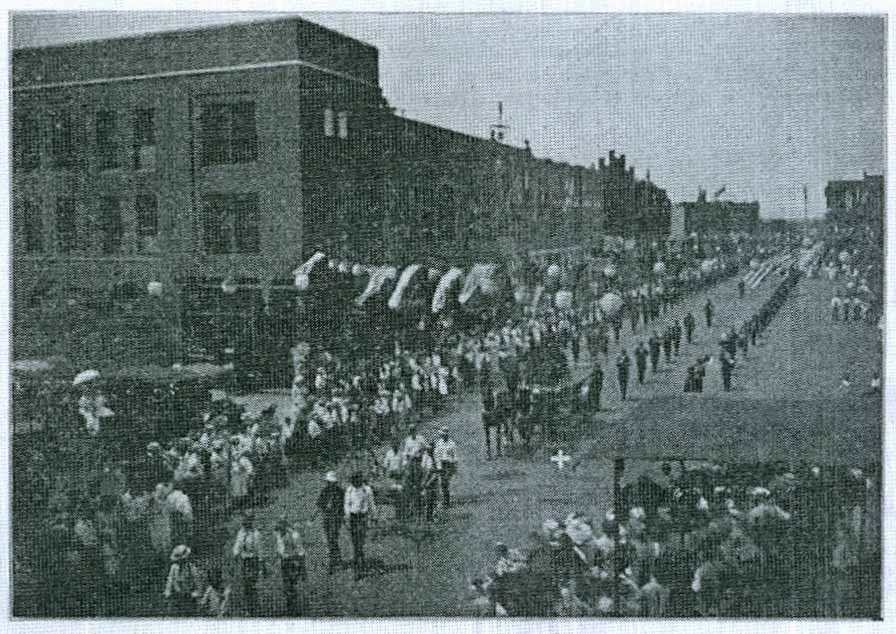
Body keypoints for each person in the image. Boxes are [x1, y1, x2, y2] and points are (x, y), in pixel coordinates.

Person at [344, 472, 376, 580]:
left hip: (362, 518)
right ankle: (359, 564)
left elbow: (371, 504)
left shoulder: (366, 490)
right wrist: (347, 518)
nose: (355, 482)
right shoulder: (349, 490)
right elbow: (347, 504)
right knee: (355, 543)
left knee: (360, 542)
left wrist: (374, 517)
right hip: (353, 518)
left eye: (357, 480)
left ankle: (359, 567)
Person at [232, 511, 263, 616]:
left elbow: (260, 550)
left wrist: (261, 562)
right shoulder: (241, 533)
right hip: (245, 561)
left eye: (248, 520)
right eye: (245, 519)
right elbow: (238, 544)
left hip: (253, 560)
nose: (246, 522)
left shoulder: (256, 534)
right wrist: (236, 554)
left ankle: (254, 606)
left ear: (251, 521)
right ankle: (247, 608)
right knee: (245, 584)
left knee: (252, 583)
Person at [274, 516, 307, 616]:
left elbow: (301, 552)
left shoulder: (294, 536)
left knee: (294, 585)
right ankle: (290, 608)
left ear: (286, 526)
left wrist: (302, 568)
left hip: (293, 562)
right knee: (287, 586)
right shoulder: (279, 535)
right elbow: (280, 549)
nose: (280, 531)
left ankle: (296, 609)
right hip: (284, 562)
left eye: (281, 528)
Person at [316, 471, 344, 574]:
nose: (330, 484)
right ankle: (337, 559)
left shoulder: (340, 492)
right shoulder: (325, 491)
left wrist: (340, 515)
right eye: (329, 482)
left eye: (332, 482)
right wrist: (322, 510)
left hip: (336, 519)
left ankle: (331, 562)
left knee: (332, 538)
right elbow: (319, 504)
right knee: (328, 539)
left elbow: (343, 507)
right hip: (327, 518)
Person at [163, 544, 201, 616]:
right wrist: (167, 592)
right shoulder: (174, 568)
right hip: (177, 596)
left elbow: (197, 582)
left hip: (189, 596)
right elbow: (170, 580)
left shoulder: (191, 568)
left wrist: (196, 593)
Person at [433, 428, 458, 508]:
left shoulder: (452, 443)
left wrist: (454, 466)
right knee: (443, 483)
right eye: (443, 435)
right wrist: (438, 466)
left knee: (445, 482)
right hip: (442, 464)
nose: (444, 436)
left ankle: (446, 501)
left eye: (446, 434)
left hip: (449, 464)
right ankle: (446, 500)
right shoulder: (439, 443)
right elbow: (436, 456)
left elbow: (455, 455)